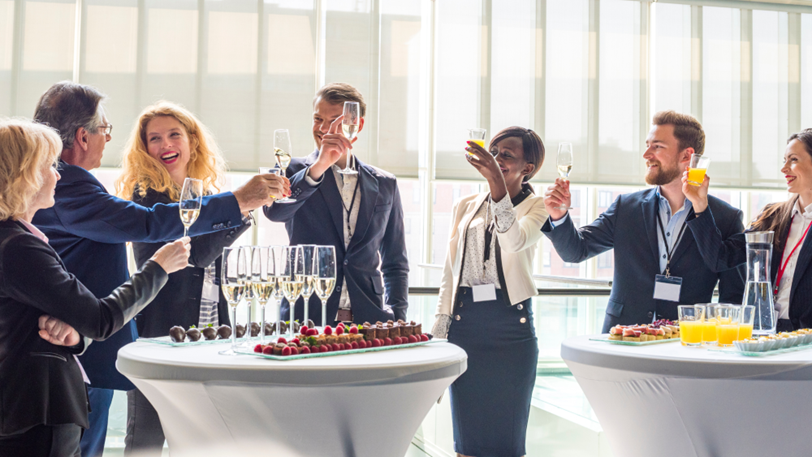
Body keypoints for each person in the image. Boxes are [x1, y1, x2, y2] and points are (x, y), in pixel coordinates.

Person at [31, 81, 288, 457]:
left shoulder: (70, 184)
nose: (107, 138)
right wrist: (239, 200)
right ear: (83, 137)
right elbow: (151, 223)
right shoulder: (70, 186)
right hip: (76, 347)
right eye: (105, 130)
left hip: (82, 342)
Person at [0, 119, 191, 457]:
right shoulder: (18, 247)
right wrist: (158, 268)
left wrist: (75, 335)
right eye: (49, 166)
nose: (58, 176)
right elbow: (100, 319)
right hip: (35, 413)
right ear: (26, 175)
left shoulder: (18, 240)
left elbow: (34, 323)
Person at [115, 101, 267, 455]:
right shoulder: (145, 201)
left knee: (203, 438)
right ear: (145, 148)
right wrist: (242, 206)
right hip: (160, 333)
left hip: (210, 331)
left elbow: (214, 267)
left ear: (192, 141)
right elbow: (194, 257)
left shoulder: (210, 199)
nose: (165, 144)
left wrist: (239, 208)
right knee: (145, 439)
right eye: (154, 138)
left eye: (174, 135)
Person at [542, 111, 746, 332]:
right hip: (623, 337)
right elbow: (575, 251)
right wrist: (559, 216)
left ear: (686, 155)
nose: (646, 154)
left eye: (657, 146)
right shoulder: (626, 208)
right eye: (647, 145)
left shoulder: (726, 218)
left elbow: (733, 299)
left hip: (685, 342)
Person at [431, 127, 547, 457]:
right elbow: (450, 271)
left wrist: (497, 184)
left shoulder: (538, 207)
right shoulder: (464, 205)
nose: (496, 159)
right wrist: (440, 329)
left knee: (507, 443)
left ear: (528, 168)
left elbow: (513, 241)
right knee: (466, 442)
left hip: (511, 330)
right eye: (493, 152)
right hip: (465, 327)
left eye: (506, 155)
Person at [263, 82, 408, 326]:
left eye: (334, 121)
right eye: (318, 119)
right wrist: (319, 167)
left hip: (370, 323)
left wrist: (398, 317)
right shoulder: (291, 170)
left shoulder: (385, 183)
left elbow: (396, 262)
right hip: (306, 318)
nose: (323, 128)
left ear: (357, 125)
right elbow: (275, 212)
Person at [684, 128, 812, 332]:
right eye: (784, 160)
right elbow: (720, 258)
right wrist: (699, 203)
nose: (784, 169)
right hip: (768, 332)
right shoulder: (773, 217)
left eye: (793, 159)